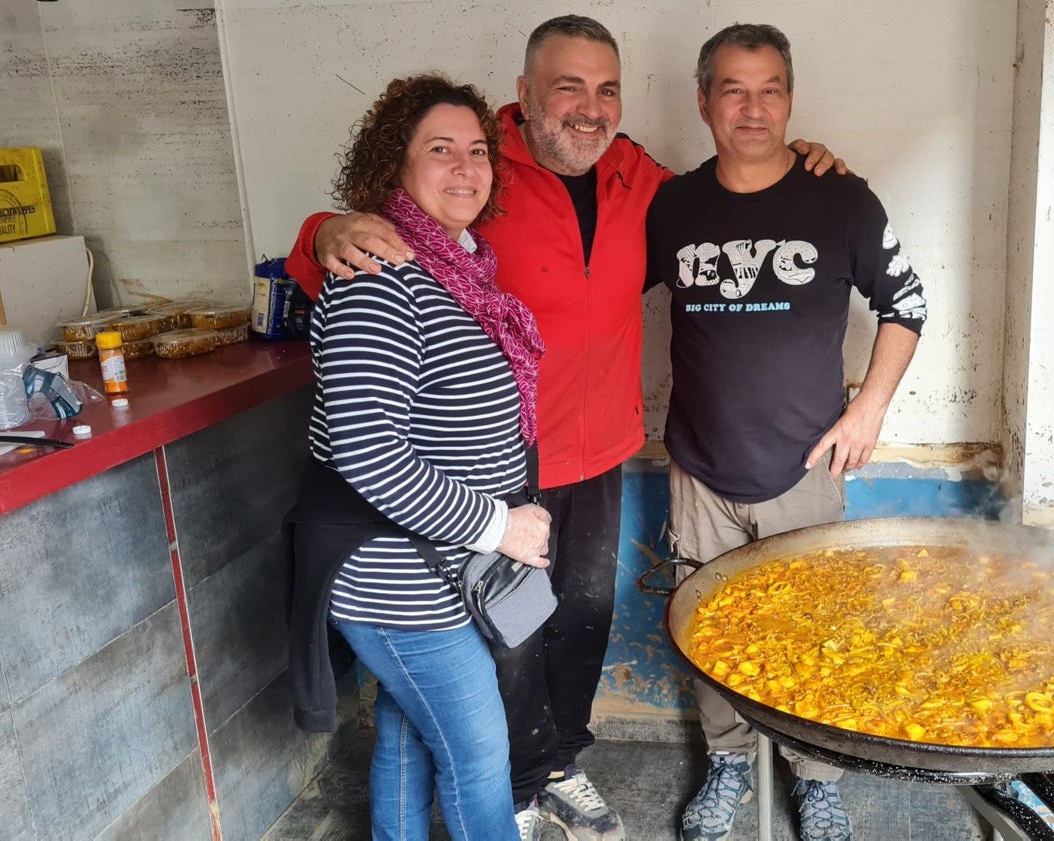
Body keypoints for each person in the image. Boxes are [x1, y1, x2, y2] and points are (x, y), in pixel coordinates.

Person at [284, 17, 844, 840]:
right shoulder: (479, 174)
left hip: (601, 447)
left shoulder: (640, 181)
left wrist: (805, 164)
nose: (589, 109)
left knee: (581, 617)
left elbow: (733, 200)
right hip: (493, 470)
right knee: (500, 639)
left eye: (606, 89)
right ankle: (507, 783)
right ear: (524, 96)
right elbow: (353, 253)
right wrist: (322, 229)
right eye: (567, 88)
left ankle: (558, 764)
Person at [644, 23, 927, 841]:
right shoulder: (672, 205)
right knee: (707, 629)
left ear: (791, 98)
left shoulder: (842, 199)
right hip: (699, 466)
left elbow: (906, 305)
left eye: (770, 89)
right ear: (703, 102)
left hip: (806, 464)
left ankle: (816, 777)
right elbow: (594, 292)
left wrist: (867, 408)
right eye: (733, 89)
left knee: (816, 628)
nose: (753, 107)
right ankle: (728, 762)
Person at [285, 74, 553, 840]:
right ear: (393, 167)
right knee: (476, 756)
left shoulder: (458, 269)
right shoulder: (379, 277)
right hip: (395, 576)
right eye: (440, 150)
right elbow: (370, 455)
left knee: (408, 730)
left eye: (477, 150)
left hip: (435, 563)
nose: (466, 167)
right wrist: (498, 526)